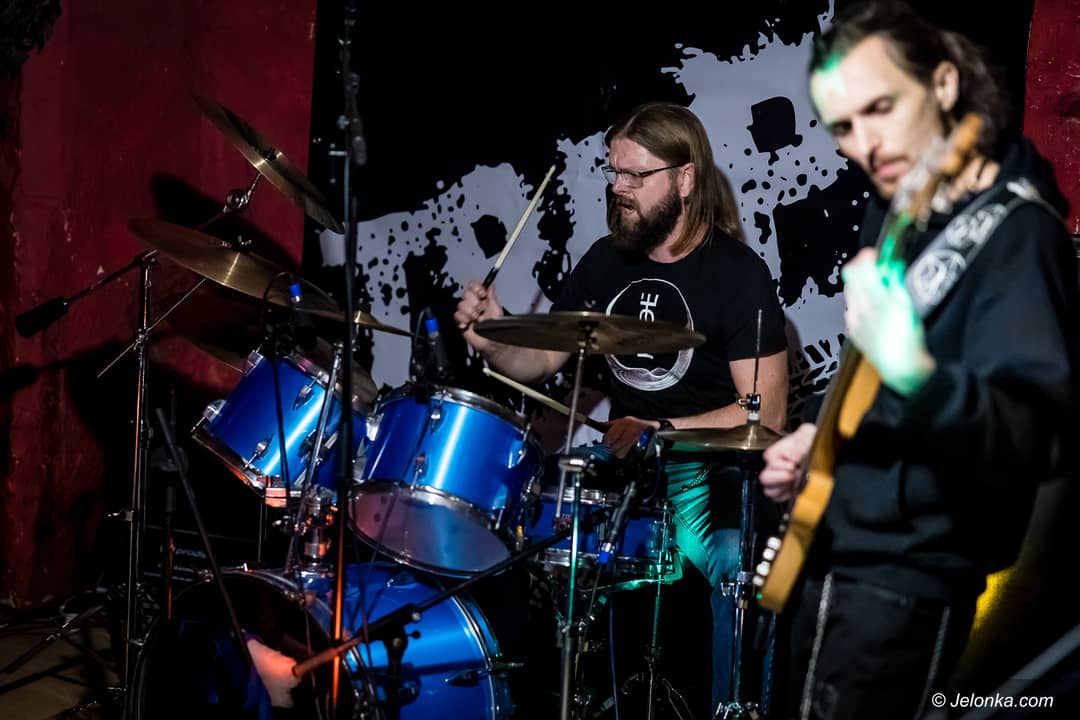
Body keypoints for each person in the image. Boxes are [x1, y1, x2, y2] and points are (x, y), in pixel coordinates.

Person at [758, 3, 1079, 719]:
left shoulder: (1019, 233)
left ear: (942, 84)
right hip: (837, 556)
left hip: (907, 584)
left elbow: (1037, 439)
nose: (866, 145)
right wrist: (818, 435)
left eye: (881, 108)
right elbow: (869, 376)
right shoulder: (898, 211)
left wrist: (914, 372)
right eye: (844, 127)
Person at [454, 101, 789, 713]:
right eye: (614, 172)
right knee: (516, 531)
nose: (618, 187)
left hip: (708, 467)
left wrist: (662, 428)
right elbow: (539, 361)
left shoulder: (738, 275)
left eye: (636, 175)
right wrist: (492, 338)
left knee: (739, 568)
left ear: (684, 179)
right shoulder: (605, 262)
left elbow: (764, 415)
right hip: (630, 464)